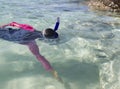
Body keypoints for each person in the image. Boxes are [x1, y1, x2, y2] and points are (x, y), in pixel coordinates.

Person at [0, 17, 62, 82]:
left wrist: (3, 26)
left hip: (4, 30)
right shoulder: (31, 43)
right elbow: (40, 58)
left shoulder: (29, 28)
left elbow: (13, 23)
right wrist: (52, 71)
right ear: (46, 39)